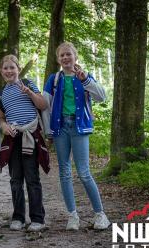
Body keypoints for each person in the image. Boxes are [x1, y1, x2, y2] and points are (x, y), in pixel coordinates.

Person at [42, 42, 110, 230]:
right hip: (60, 128)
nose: (65, 58)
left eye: (68, 55)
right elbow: (44, 102)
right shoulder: (54, 79)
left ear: (75, 56)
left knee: (84, 172)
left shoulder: (84, 77)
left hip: (79, 128)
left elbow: (101, 97)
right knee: (64, 172)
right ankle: (73, 216)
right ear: (58, 59)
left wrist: (86, 80)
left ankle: (100, 215)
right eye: (62, 55)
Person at [0, 54, 50, 232]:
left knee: (32, 178)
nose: (9, 71)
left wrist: (30, 93)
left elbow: (43, 105)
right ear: (1, 71)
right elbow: (1, 117)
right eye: (6, 68)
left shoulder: (27, 84)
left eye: (12, 67)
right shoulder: (1, 93)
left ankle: (37, 218)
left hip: (31, 136)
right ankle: (18, 217)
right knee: (15, 179)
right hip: (13, 138)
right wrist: (4, 126)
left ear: (18, 69)